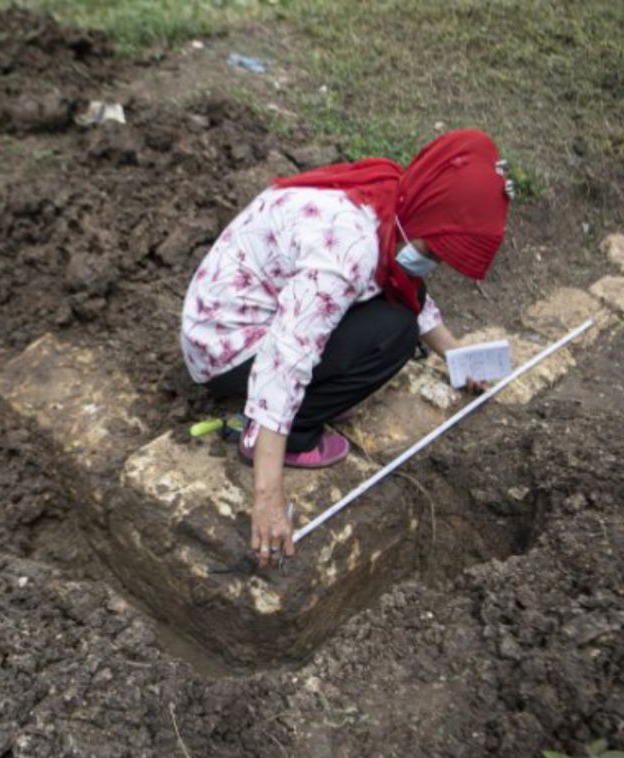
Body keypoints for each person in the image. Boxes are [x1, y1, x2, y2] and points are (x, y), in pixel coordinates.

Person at [180, 129, 512, 568]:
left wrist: (454, 354)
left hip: (236, 315)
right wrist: (268, 497)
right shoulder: (348, 253)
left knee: (395, 305)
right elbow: (284, 362)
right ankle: (294, 434)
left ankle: (314, 399)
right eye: (438, 251)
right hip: (225, 349)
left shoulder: (394, 198)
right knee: (395, 331)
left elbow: (406, 284)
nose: (437, 262)